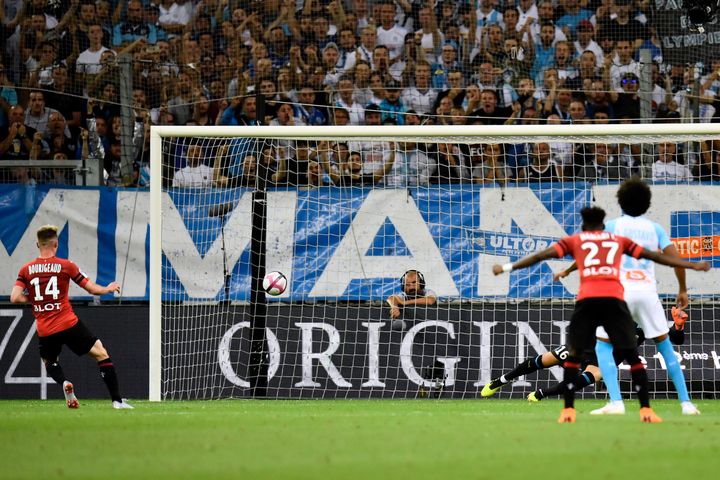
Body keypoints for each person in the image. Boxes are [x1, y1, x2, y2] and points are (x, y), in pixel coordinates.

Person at [492, 206, 710, 423]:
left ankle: (570, 409)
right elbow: (654, 256)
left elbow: (541, 255)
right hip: (614, 300)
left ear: (584, 226)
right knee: (633, 358)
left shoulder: (583, 239)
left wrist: (507, 267)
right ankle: (650, 409)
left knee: (577, 358)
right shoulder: (621, 241)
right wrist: (692, 266)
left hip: (591, 301)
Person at [556, 178, 700, 415]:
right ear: (647, 204)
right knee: (664, 347)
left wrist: (568, 270)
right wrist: (682, 289)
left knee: (603, 347)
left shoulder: (611, 226)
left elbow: (589, 250)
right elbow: (676, 260)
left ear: (620, 203)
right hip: (646, 292)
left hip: (619, 294)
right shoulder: (656, 229)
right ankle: (686, 403)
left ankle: (616, 402)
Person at [10, 225, 133, 410]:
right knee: (101, 354)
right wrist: (108, 288)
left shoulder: (26, 269)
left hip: (45, 328)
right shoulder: (66, 265)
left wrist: (35, 298)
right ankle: (117, 401)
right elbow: (92, 289)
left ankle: (65, 382)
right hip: (68, 323)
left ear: (37, 244)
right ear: (56, 244)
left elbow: (15, 298)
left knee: (50, 362)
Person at [481, 308, 688, 401]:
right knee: (546, 359)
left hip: (606, 359)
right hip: (587, 345)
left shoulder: (649, 320)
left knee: (589, 377)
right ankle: (502, 380)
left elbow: (675, 340)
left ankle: (541, 394)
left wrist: (678, 327)